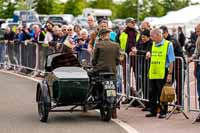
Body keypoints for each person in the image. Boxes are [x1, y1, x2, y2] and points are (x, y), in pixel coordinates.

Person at [145, 28, 175, 119]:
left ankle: (163, 111)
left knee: (162, 93)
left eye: (152, 36)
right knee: (152, 92)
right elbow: (150, 52)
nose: (150, 38)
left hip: (163, 72)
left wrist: (170, 74)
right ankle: (153, 110)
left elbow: (171, 61)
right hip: (153, 72)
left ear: (158, 35)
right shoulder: (153, 44)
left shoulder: (168, 45)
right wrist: (148, 53)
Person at [160, 25, 186, 108]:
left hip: (179, 66)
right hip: (171, 67)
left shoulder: (172, 41)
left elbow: (168, 48)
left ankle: (179, 105)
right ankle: (165, 105)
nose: (160, 36)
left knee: (179, 87)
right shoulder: (164, 41)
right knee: (167, 85)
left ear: (166, 33)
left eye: (162, 34)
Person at [188, 24, 200, 122]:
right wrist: (192, 58)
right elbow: (196, 53)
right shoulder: (198, 40)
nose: (197, 33)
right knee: (199, 91)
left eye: (198, 31)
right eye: (196, 31)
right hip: (199, 67)